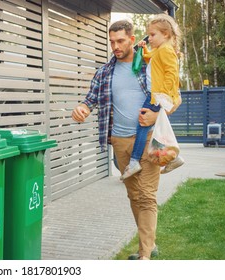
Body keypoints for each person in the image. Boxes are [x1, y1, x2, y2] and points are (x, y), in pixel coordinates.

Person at [72, 19, 181, 260]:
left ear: (132, 39)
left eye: (120, 40)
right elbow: (90, 99)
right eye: (112, 42)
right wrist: (81, 108)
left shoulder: (148, 64)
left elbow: (175, 97)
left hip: (149, 138)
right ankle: (149, 244)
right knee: (134, 195)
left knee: (147, 196)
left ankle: (144, 256)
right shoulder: (104, 72)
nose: (116, 46)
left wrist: (157, 113)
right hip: (119, 141)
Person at [121, 14, 184, 181]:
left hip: (156, 95)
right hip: (155, 95)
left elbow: (172, 74)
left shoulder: (166, 50)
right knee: (157, 127)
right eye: (148, 35)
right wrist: (144, 49)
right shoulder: (159, 50)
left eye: (153, 35)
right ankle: (172, 157)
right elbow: (150, 59)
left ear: (166, 34)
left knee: (143, 124)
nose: (149, 38)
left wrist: (163, 95)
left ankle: (135, 161)